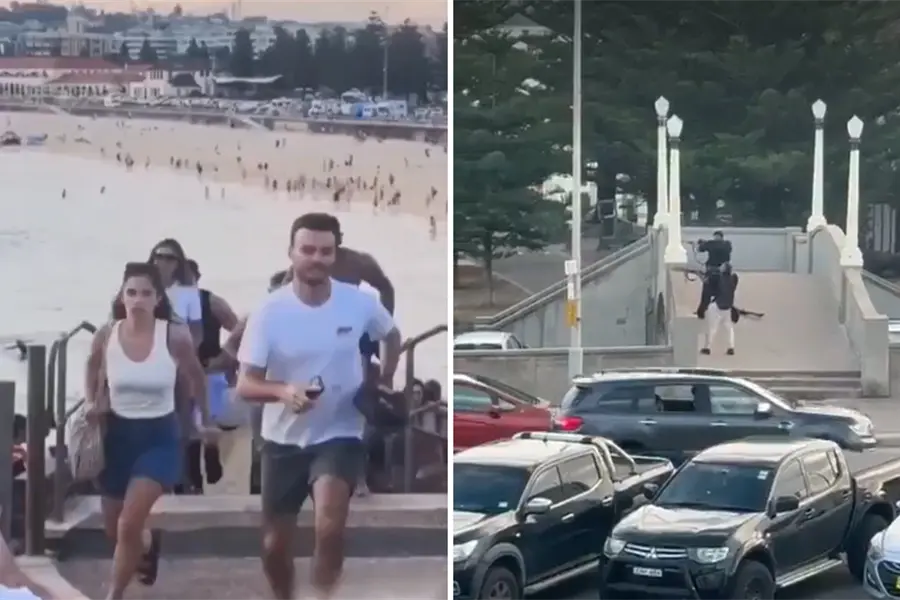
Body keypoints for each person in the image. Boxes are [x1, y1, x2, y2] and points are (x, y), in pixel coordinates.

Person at [236, 212, 402, 600]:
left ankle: (323, 594)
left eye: (325, 251)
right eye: (307, 250)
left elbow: (391, 334)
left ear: (335, 255)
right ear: (291, 253)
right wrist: (281, 392)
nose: (316, 258)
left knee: (329, 526)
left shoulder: (358, 303)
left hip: (340, 432)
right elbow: (245, 383)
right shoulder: (269, 311)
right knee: (274, 546)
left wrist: (384, 379)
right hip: (281, 441)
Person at [84, 262, 215, 600]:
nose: (138, 299)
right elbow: (93, 366)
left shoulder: (173, 335)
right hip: (116, 437)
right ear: (122, 297)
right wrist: (90, 401)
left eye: (145, 293)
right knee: (116, 530)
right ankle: (147, 542)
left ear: (158, 299)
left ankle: (113, 594)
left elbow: (195, 378)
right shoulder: (106, 334)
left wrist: (204, 419)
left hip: (159, 437)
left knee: (127, 524)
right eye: (131, 292)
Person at [183, 259, 239, 492]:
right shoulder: (166, 304)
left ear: (198, 277)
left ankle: (212, 453)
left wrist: (227, 359)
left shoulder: (211, 302)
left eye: (189, 278)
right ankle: (193, 478)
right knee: (188, 427)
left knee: (207, 418)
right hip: (181, 373)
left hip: (209, 369)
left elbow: (239, 330)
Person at [148, 239, 203, 346]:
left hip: (176, 348)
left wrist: (189, 352)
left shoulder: (188, 291)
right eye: (159, 256)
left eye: (170, 258)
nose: (163, 262)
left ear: (178, 263)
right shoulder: (139, 287)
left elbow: (196, 330)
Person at [697, 267, 739, 356]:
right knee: (729, 328)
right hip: (727, 307)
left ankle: (707, 348)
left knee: (712, 328)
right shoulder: (733, 280)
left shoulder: (719, 279)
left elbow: (710, 287)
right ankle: (731, 347)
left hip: (717, 307)